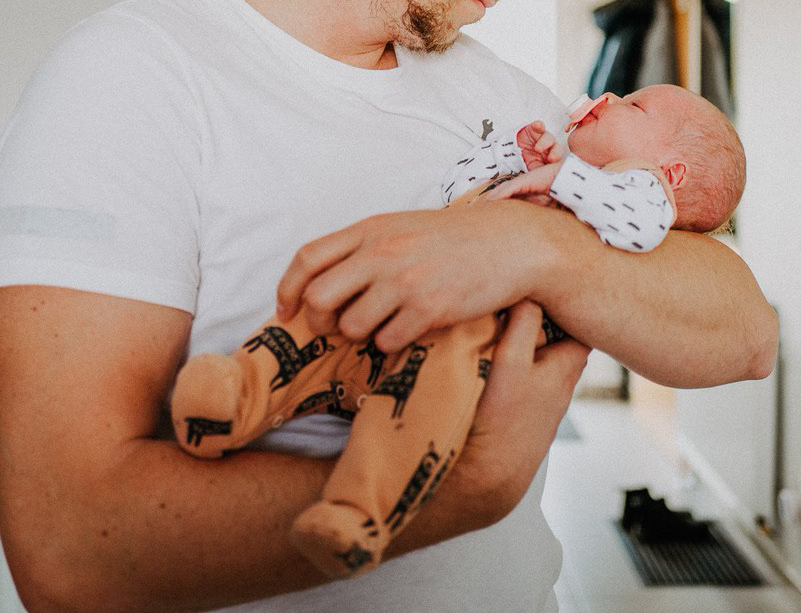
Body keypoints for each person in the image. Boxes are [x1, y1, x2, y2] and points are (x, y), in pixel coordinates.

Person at [0, 0, 777, 613]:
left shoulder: (517, 109)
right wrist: (469, 486)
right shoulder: (132, 80)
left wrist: (530, 248)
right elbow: (69, 552)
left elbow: (746, 333)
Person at [168, 84, 746, 579]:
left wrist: (562, 178)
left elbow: (640, 225)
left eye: (636, 107)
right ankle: (237, 396)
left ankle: (357, 512)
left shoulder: (638, 187)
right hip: (395, 305)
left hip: (465, 342)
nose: (612, 97)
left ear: (672, 172)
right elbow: (454, 193)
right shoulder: (561, 164)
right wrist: (509, 155)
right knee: (317, 326)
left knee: (419, 412)